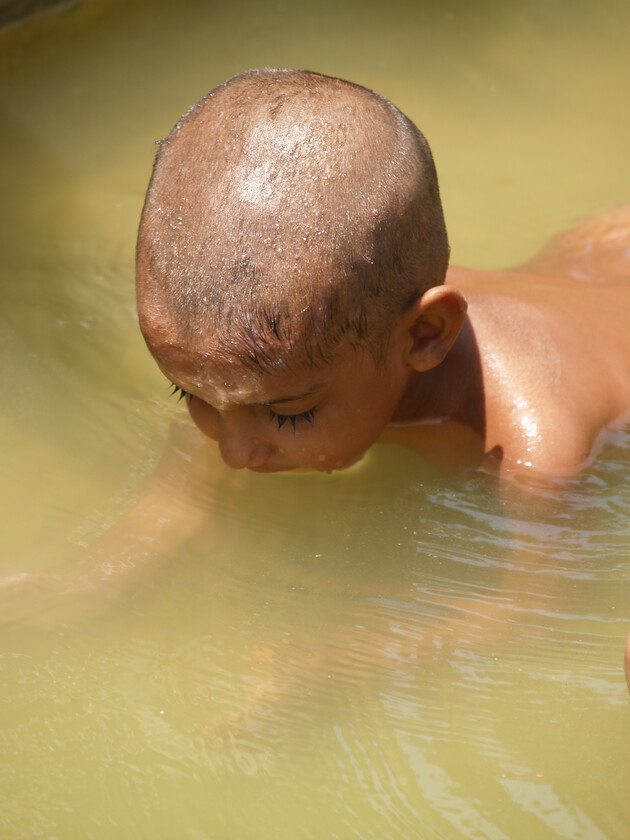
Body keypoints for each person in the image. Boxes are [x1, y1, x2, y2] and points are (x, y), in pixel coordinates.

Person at [137, 68, 630, 485]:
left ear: (424, 334)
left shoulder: (536, 456)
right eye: (194, 395)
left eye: (291, 415)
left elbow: (525, 596)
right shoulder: (346, 312)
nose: (234, 453)